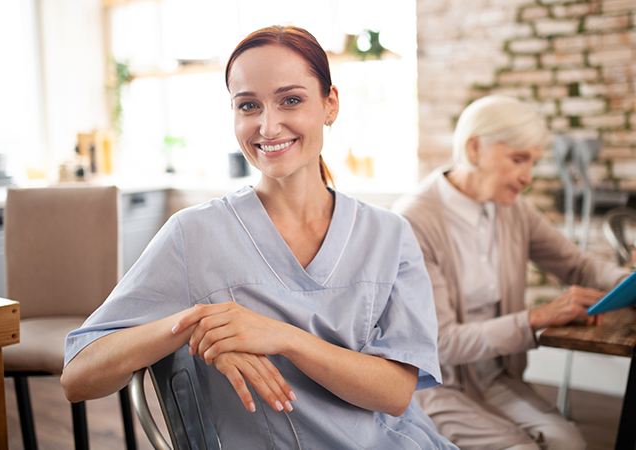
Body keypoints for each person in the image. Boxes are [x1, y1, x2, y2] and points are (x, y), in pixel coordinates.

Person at [62, 25, 457, 449]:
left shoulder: (390, 234)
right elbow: (78, 376)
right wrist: (198, 324)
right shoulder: (194, 235)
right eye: (249, 106)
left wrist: (284, 337)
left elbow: (396, 394)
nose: (268, 127)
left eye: (291, 99)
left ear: (330, 104)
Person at [392, 95, 633, 450]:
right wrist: (536, 318)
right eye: (518, 159)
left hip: (495, 377)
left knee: (569, 442)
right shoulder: (414, 220)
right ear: (475, 149)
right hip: (438, 387)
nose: (527, 177)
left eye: (532, 162)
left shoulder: (513, 209)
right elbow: (440, 343)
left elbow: (578, 265)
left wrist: (625, 282)